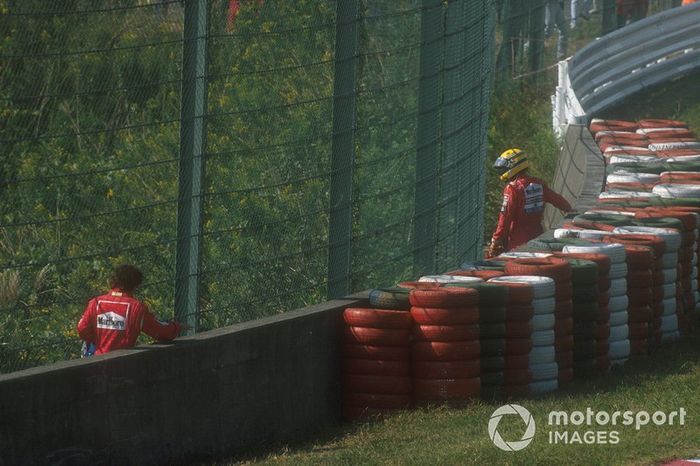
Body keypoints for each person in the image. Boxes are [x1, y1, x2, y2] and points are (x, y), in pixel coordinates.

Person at [77, 264, 186, 355]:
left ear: (113, 281)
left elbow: (82, 329)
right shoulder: (137, 307)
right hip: (124, 364)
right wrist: (177, 327)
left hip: (96, 362)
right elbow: (160, 331)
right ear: (135, 285)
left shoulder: (96, 303)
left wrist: (99, 340)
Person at [486, 149, 572, 257]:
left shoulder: (512, 189)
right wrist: (572, 212)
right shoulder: (539, 184)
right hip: (538, 238)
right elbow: (559, 201)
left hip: (517, 243)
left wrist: (496, 240)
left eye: (503, 168)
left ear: (513, 166)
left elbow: (505, 219)